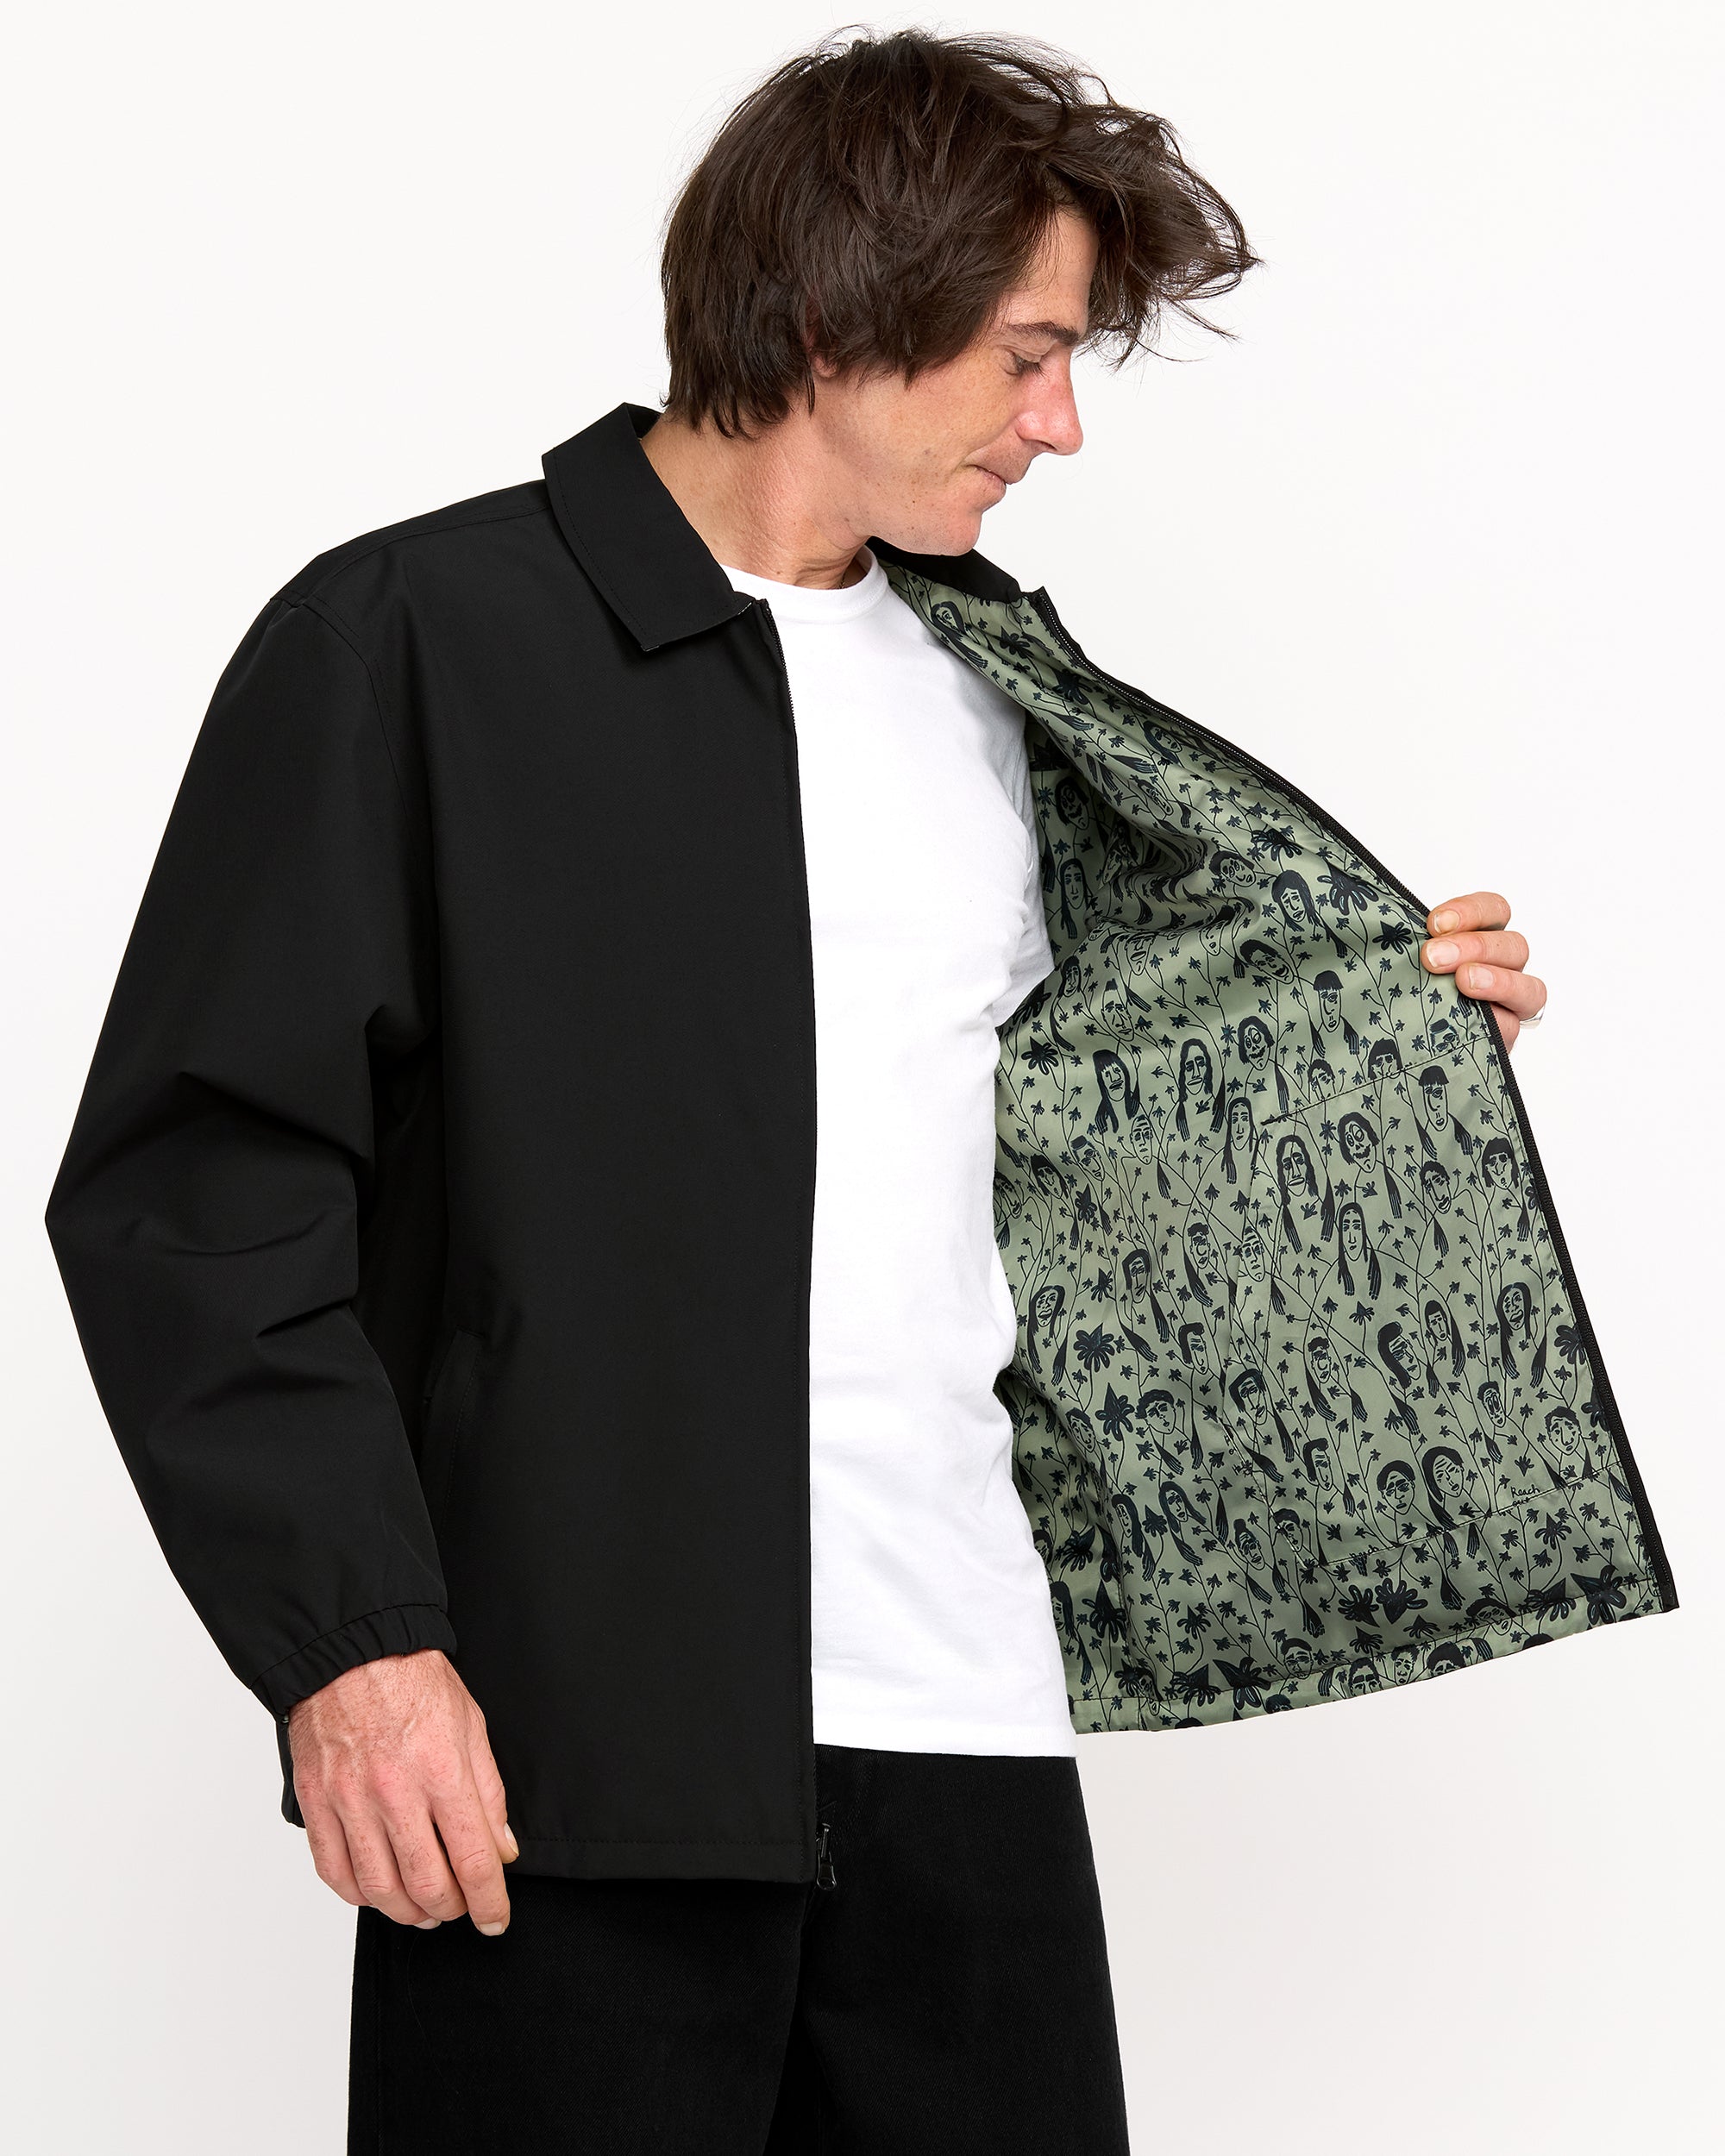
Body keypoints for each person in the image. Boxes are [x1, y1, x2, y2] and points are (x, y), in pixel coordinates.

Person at [48, 28, 1654, 2156]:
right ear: (830, 314)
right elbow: (198, 1188)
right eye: (1024, 355)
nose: (1058, 424)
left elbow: (1058, 1151)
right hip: (571, 1763)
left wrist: (1357, 1041)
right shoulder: (417, 641)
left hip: (964, 1739)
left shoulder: (1003, 692)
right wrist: (353, 1647)